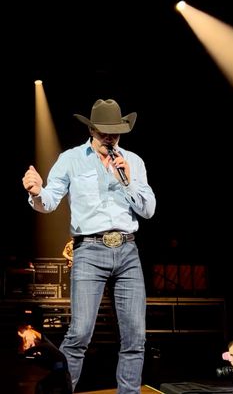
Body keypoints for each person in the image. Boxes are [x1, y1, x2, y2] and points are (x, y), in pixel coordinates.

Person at [22, 98, 156, 393]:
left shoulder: (133, 162)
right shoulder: (71, 159)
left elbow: (148, 211)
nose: (110, 138)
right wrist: (36, 192)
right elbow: (50, 201)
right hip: (89, 251)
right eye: (104, 132)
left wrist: (128, 182)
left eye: (116, 132)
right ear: (92, 130)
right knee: (79, 333)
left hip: (128, 250)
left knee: (135, 336)